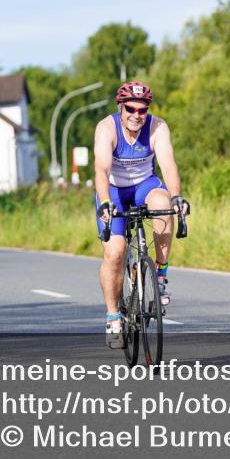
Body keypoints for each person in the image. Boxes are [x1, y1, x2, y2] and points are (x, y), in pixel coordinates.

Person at [93, 82, 190, 348]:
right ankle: (113, 317)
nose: (136, 115)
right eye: (130, 109)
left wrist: (177, 196)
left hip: (144, 185)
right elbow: (101, 170)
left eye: (142, 110)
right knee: (115, 252)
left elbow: (168, 164)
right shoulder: (106, 128)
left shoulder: (157, 127)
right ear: (120, 107)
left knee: (163, 203)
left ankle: (160, 273)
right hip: (112, 191)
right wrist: (104, 203)